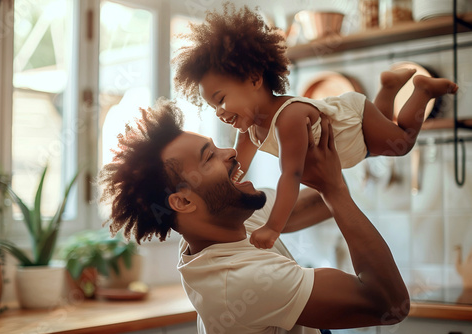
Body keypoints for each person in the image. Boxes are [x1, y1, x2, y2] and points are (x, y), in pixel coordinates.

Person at [98, 98, 409, 334]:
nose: (230, 153)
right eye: (210, 157)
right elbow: (390, 304)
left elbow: (319, 201)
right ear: (182, 201)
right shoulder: (237, 282)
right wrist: (334, 189)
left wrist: (321, 137)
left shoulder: (226, 225)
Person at [172, 3, 459, 249]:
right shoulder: (248, 129)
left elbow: (291, 175)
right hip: (357, 147)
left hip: (355, 123)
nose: (220, 112)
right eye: (213, 107)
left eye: (221, 100)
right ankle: (389, 87)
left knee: (403, 142)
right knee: (378, 143)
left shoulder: (290, 118)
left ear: (254, 79)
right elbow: (238, 168)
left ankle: (422, 90)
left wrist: (273, 227)